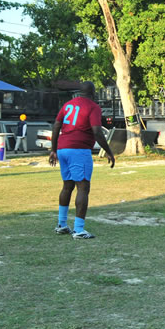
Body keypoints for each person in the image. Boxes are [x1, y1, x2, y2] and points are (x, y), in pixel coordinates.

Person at [49, 81, 115, 239]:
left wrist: (53, 149)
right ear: (93, 93)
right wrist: (109, 151)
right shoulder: (93, 107)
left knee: (67, 186)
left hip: (63, 149)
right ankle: (79, 230)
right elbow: (97, 132)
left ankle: (62, 224)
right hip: (78, 150)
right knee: (83, 187)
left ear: (80, 92)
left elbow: (57, 126)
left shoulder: (68, 105)